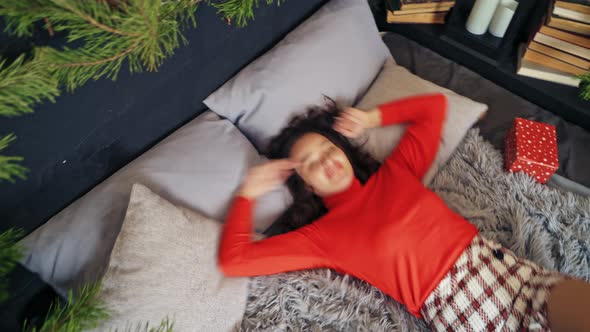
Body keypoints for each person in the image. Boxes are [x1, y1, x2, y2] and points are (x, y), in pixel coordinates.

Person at [218, 93, 590, 332]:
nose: (326, 160)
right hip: (459, 303)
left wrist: (371, 118)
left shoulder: (396, 173)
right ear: (307, 186)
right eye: (310, 162)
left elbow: (434, 109)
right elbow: (235, 260)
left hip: (502, 266)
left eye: (329, 148)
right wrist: (248, 194)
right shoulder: (322, 236)